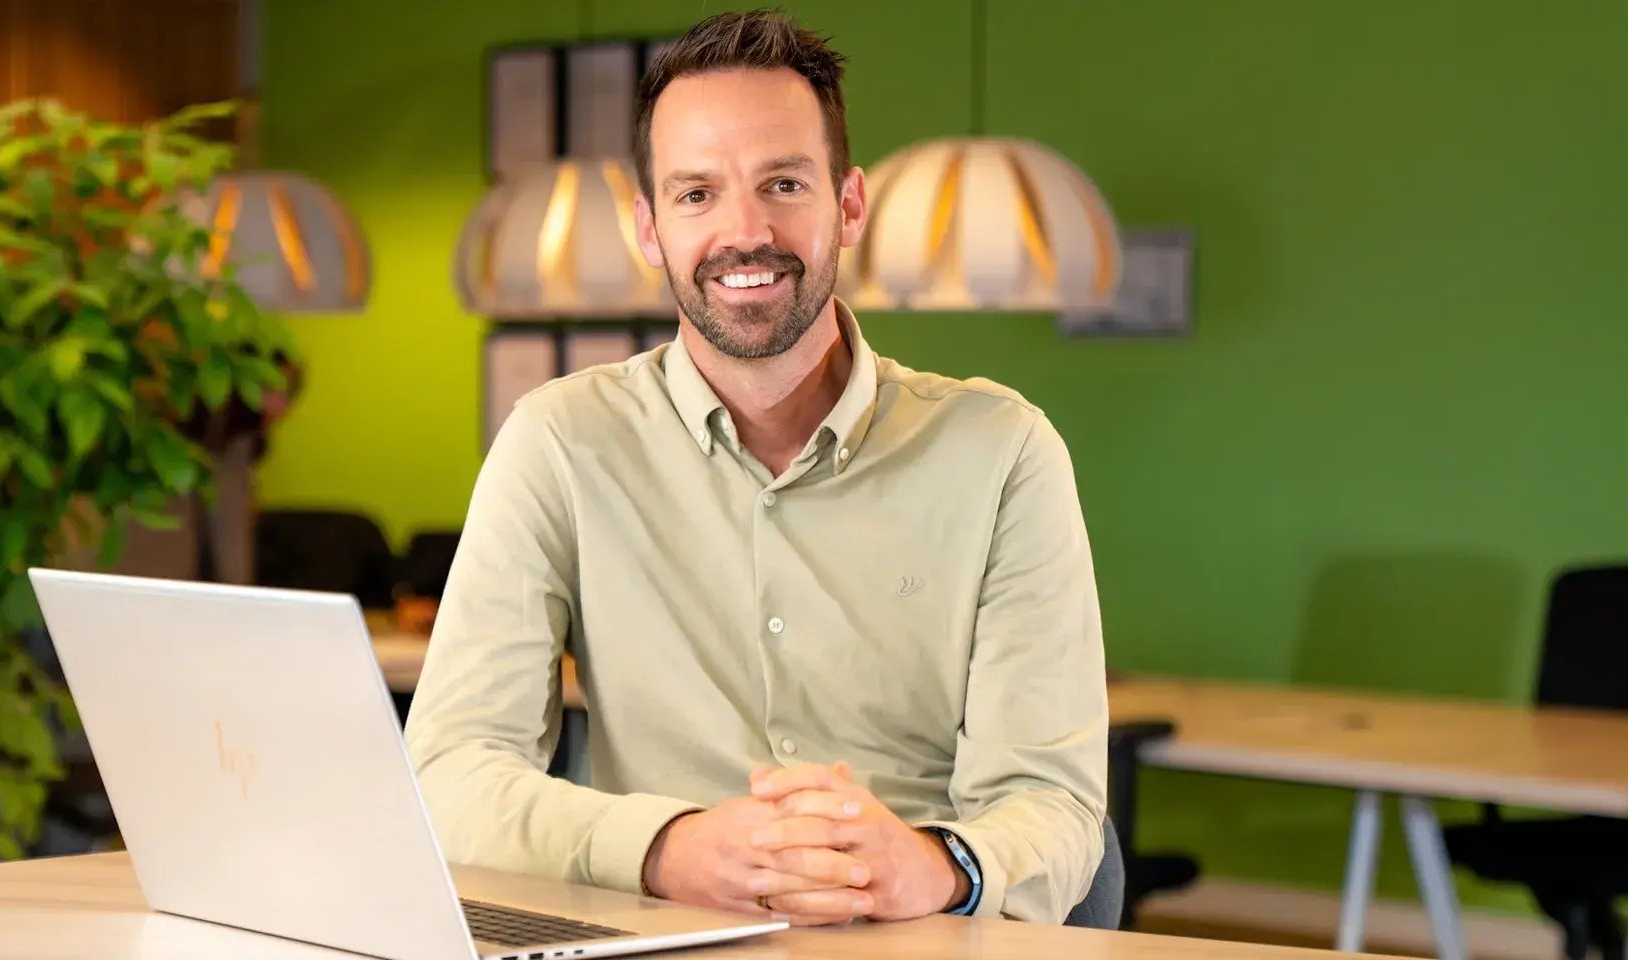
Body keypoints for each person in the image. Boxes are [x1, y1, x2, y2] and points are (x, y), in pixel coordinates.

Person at [404, 10, 1106, 927]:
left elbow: (1053, 805)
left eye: (783, 183)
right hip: (659, 941)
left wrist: (930, 865)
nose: (745, 231)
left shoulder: (1004, 452)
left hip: (917, 943)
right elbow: (450, 773)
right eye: (697, 194)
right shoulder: (560, 443)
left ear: (847, 205)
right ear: (650, 226)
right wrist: (667, 848)